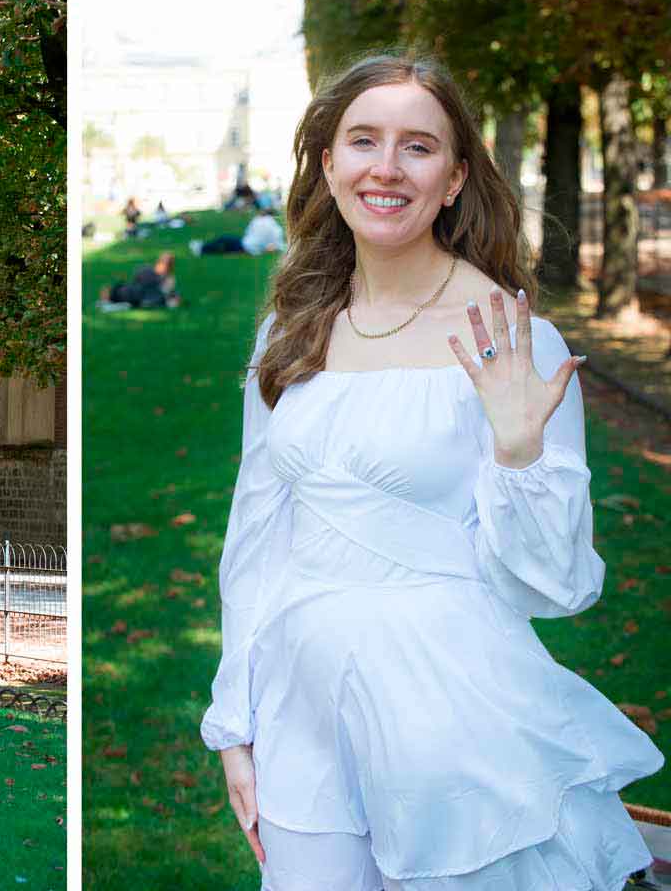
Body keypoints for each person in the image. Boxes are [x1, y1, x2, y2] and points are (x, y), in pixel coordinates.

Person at [201, 53, 663, 891]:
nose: (386, 167)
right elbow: (255, 538)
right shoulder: (289, 334)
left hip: (454, 716)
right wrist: (236, 718)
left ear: (453, 179)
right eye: (363, 140)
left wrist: (523, 455)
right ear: (329, 165)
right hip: (299, 708)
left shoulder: (515, 341)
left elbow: (555, 589)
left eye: (417, 147)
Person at [99, 252, 182, 309]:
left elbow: (165, 294)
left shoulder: (165, 278)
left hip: (133, 294)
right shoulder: (146, 270)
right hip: (133, 293)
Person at [189, 211, 284, 257]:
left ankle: (201, 248)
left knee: (223, 239)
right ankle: (202, 249)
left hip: (246, 244)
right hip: (253, 249)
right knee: (225, 247)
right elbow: (277, 245)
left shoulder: (258, 220)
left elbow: (248, 233)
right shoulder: (277, 229)